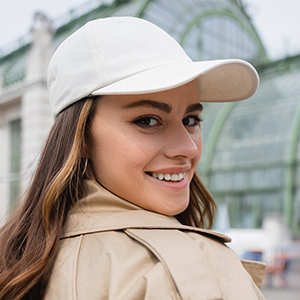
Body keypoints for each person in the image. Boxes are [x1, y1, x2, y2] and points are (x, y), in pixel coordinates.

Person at [0, 17, 266, 300]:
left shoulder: (17, 259)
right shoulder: (196, 266)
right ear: (81, 139)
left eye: (191, 119)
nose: (187, 148)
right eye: (148, 120)